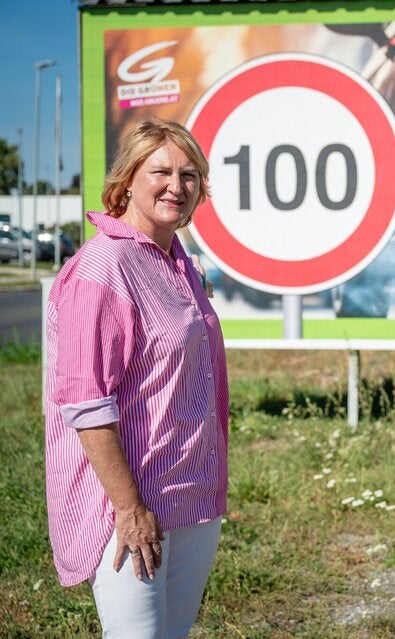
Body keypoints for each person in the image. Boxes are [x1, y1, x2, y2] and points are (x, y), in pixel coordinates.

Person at [44, 119, 228, 638]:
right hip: (129, 506)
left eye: (190, 175)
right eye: (162, 171)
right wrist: (129, 508)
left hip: (190, 495)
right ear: (127, 179)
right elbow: (85, 404)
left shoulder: (177, 261)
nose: (178, 186)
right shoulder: (102, 269)